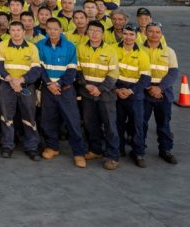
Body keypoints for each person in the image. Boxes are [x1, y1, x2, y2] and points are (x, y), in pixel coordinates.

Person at [37, 17, 87, 167]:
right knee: (48, 119)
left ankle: (78, 153)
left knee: (72, 121)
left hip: (65, 90)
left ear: (61, 30)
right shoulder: (40, 45)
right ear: (46, 30)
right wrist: (49, 84)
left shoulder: (70, 46)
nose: (52, 31)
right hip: (48, 90)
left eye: (55, 29)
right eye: (49, 29)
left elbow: (72, 71)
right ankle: (52, 147)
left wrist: (58, 84)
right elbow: (40, 68)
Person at [0, 20, 42, 161]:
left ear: (23, 32)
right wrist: (12, 80)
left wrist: (20, 80)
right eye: (13, 30)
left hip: (26, 86)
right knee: (6, 115)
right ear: (9, 31)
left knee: (29, 115)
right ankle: (7, 145)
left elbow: (36, 70)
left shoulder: (32, 48)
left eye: (18, 30)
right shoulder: (2, 46)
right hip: (7, 85)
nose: (16, 33)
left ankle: (31, 147)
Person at [76, 21, 120, 170]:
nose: (94, 34)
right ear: (87, 32)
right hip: (87, 93)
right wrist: (86, 85)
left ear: (103, 34)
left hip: (106, 94)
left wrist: (100, 89)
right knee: (90, 123)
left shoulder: (110, 50)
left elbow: (113, 73)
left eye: (97, 31)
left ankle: (113, 156)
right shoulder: (81, 48)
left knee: (110, 125)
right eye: (91, 30)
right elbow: (77, 70)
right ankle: (95, 150)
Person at [141, 21, 179, 164]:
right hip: (144, 92)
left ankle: (166, 150)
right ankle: (139, 151)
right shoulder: (138, 49)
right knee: (141, 123)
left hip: (163, 94)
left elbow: (173, 73)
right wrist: (150, 88)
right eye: (151, 31)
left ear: (161, 34)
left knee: (164, 124)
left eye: (157, 32)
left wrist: (159, 88)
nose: (154, 34)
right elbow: (135, 72)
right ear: (145, 33)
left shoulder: (169, 52)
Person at [115, 24, 151, 167]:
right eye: (125, 34)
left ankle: (138, 153)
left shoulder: (142, 54)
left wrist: (130, 91)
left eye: (131, 34)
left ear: (136, 37)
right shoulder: (112, 50)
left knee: (137, 125)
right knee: (117, 123)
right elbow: (108, 72)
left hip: (135, 94)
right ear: (121, 34)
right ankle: (118, 149)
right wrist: (117, 90)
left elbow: (145, 79)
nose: (128, 37)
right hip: (117, 92)